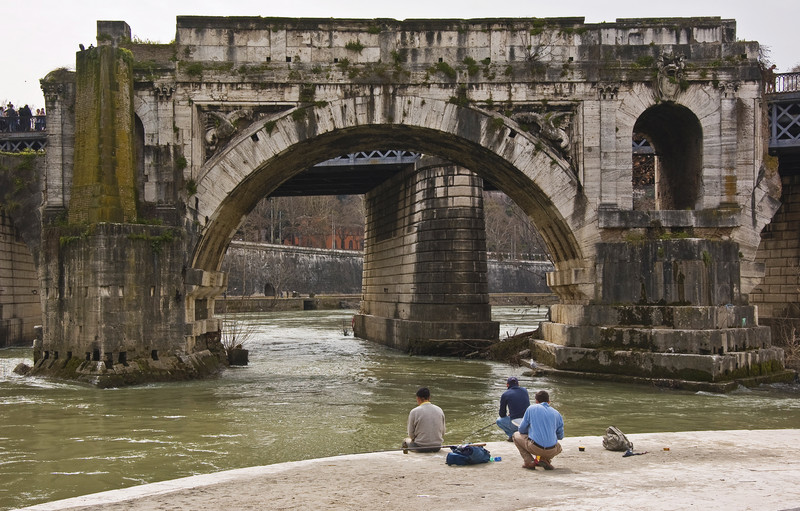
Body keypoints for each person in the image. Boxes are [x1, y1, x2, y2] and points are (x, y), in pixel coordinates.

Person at [512, 389, 564, 470]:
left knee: (515, 435)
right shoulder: (557, 413)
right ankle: (545, 459)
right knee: (559, 447)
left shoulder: (531, 408)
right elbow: (560, 436)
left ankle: (529, 461)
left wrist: (530, 432)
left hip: (535, 447)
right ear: (549, 402)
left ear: (536, 401)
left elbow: (521, 429)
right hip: (552, 450)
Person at [403, 387, 445, 453]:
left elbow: (411, 434)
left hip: (421, 447)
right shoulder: (439, 410)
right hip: (437, 447)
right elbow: (443, 432)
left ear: (418, 398)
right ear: (429, 398)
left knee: (405, 441)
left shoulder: (414, 411)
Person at [496, 376, 530, 441]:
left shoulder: (505, 394)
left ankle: (512, 436)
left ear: (507, 385)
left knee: (499, 421)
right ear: (518, 384)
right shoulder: (525, 390)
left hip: (516, 424)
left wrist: (511, 414)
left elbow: (502, 414)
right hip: (527, 423)